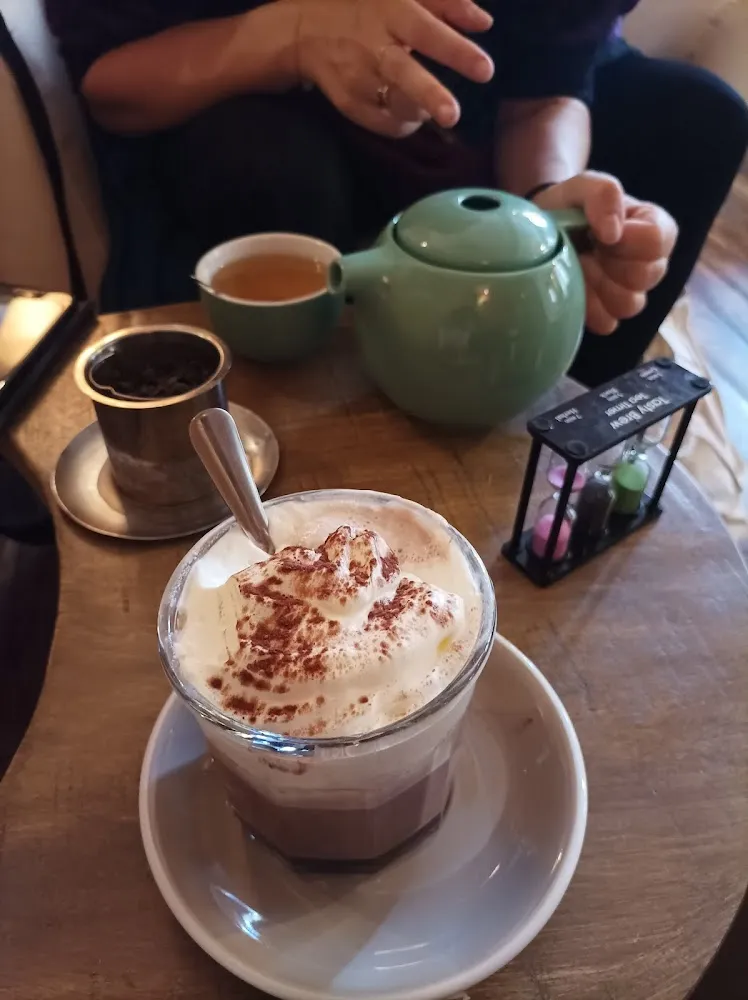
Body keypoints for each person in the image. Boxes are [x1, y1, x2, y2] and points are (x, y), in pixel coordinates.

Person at [46, 0, 747, 386]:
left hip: (470, 136)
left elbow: (545, 89)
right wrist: (290, 33)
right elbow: (112, 86)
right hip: (255, 123)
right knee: (262, 161)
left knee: (697, 119)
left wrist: (546, 204)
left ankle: (545, 436)